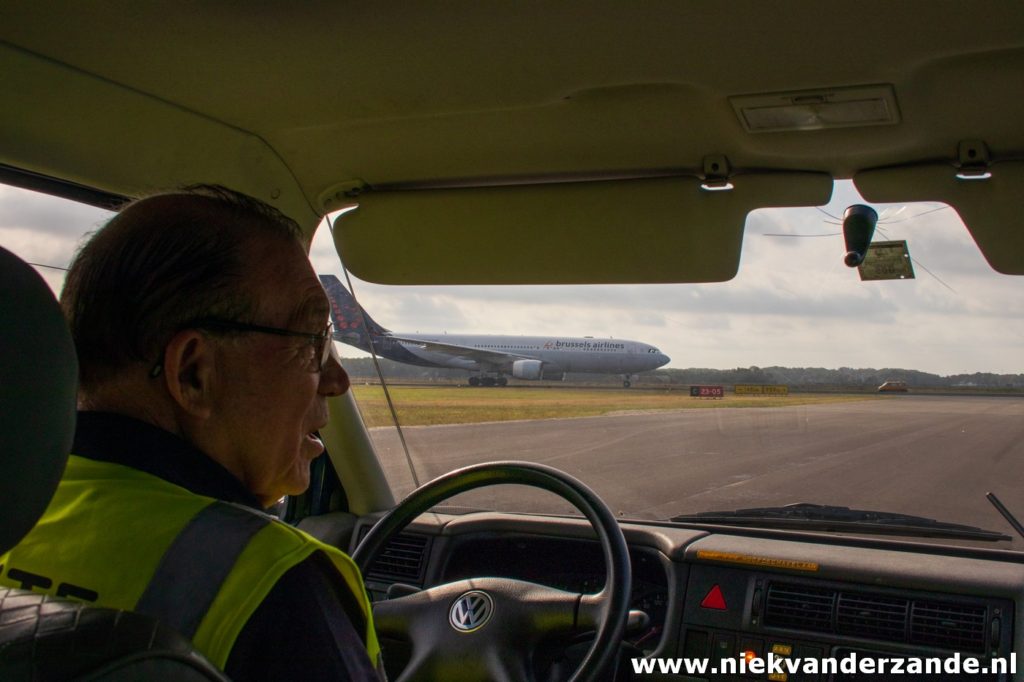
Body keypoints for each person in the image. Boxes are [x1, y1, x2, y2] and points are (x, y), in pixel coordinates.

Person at [0, 186, 382, 680]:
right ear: (193, 374)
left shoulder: (22, 512)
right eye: (311, 344)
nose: (337, 380)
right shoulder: (271, 578)